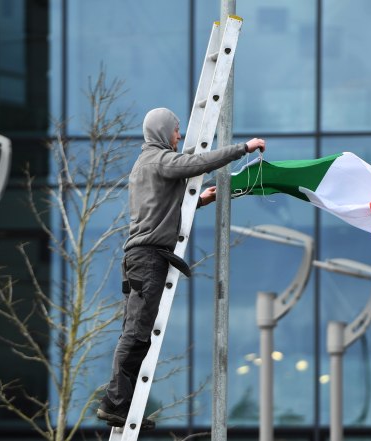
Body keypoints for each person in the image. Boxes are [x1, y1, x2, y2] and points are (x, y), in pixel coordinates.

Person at [97, 107, 266, 429]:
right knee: (136, 334)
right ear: (163, 131)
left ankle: (121, 404)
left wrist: (199, 200)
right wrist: (243, 148)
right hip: (148, 259)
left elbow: (161, 209)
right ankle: (114, 403)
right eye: (176, 130)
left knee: (137, 333)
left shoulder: (148, 163)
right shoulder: (158, 160)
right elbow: (197, 162)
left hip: (141, 258)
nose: (179, 136)